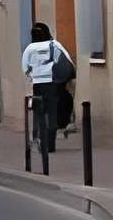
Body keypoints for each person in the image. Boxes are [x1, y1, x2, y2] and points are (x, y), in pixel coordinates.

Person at [20, 21, 74, 165]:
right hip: (52, 83)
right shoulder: (54, 44)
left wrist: (33, 76)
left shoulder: (30, 48)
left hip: (38, 84)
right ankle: (50, 144)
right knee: (52, 113)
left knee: (39, 112)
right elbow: (66, 60)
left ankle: (38, 137)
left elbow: (25, 67)